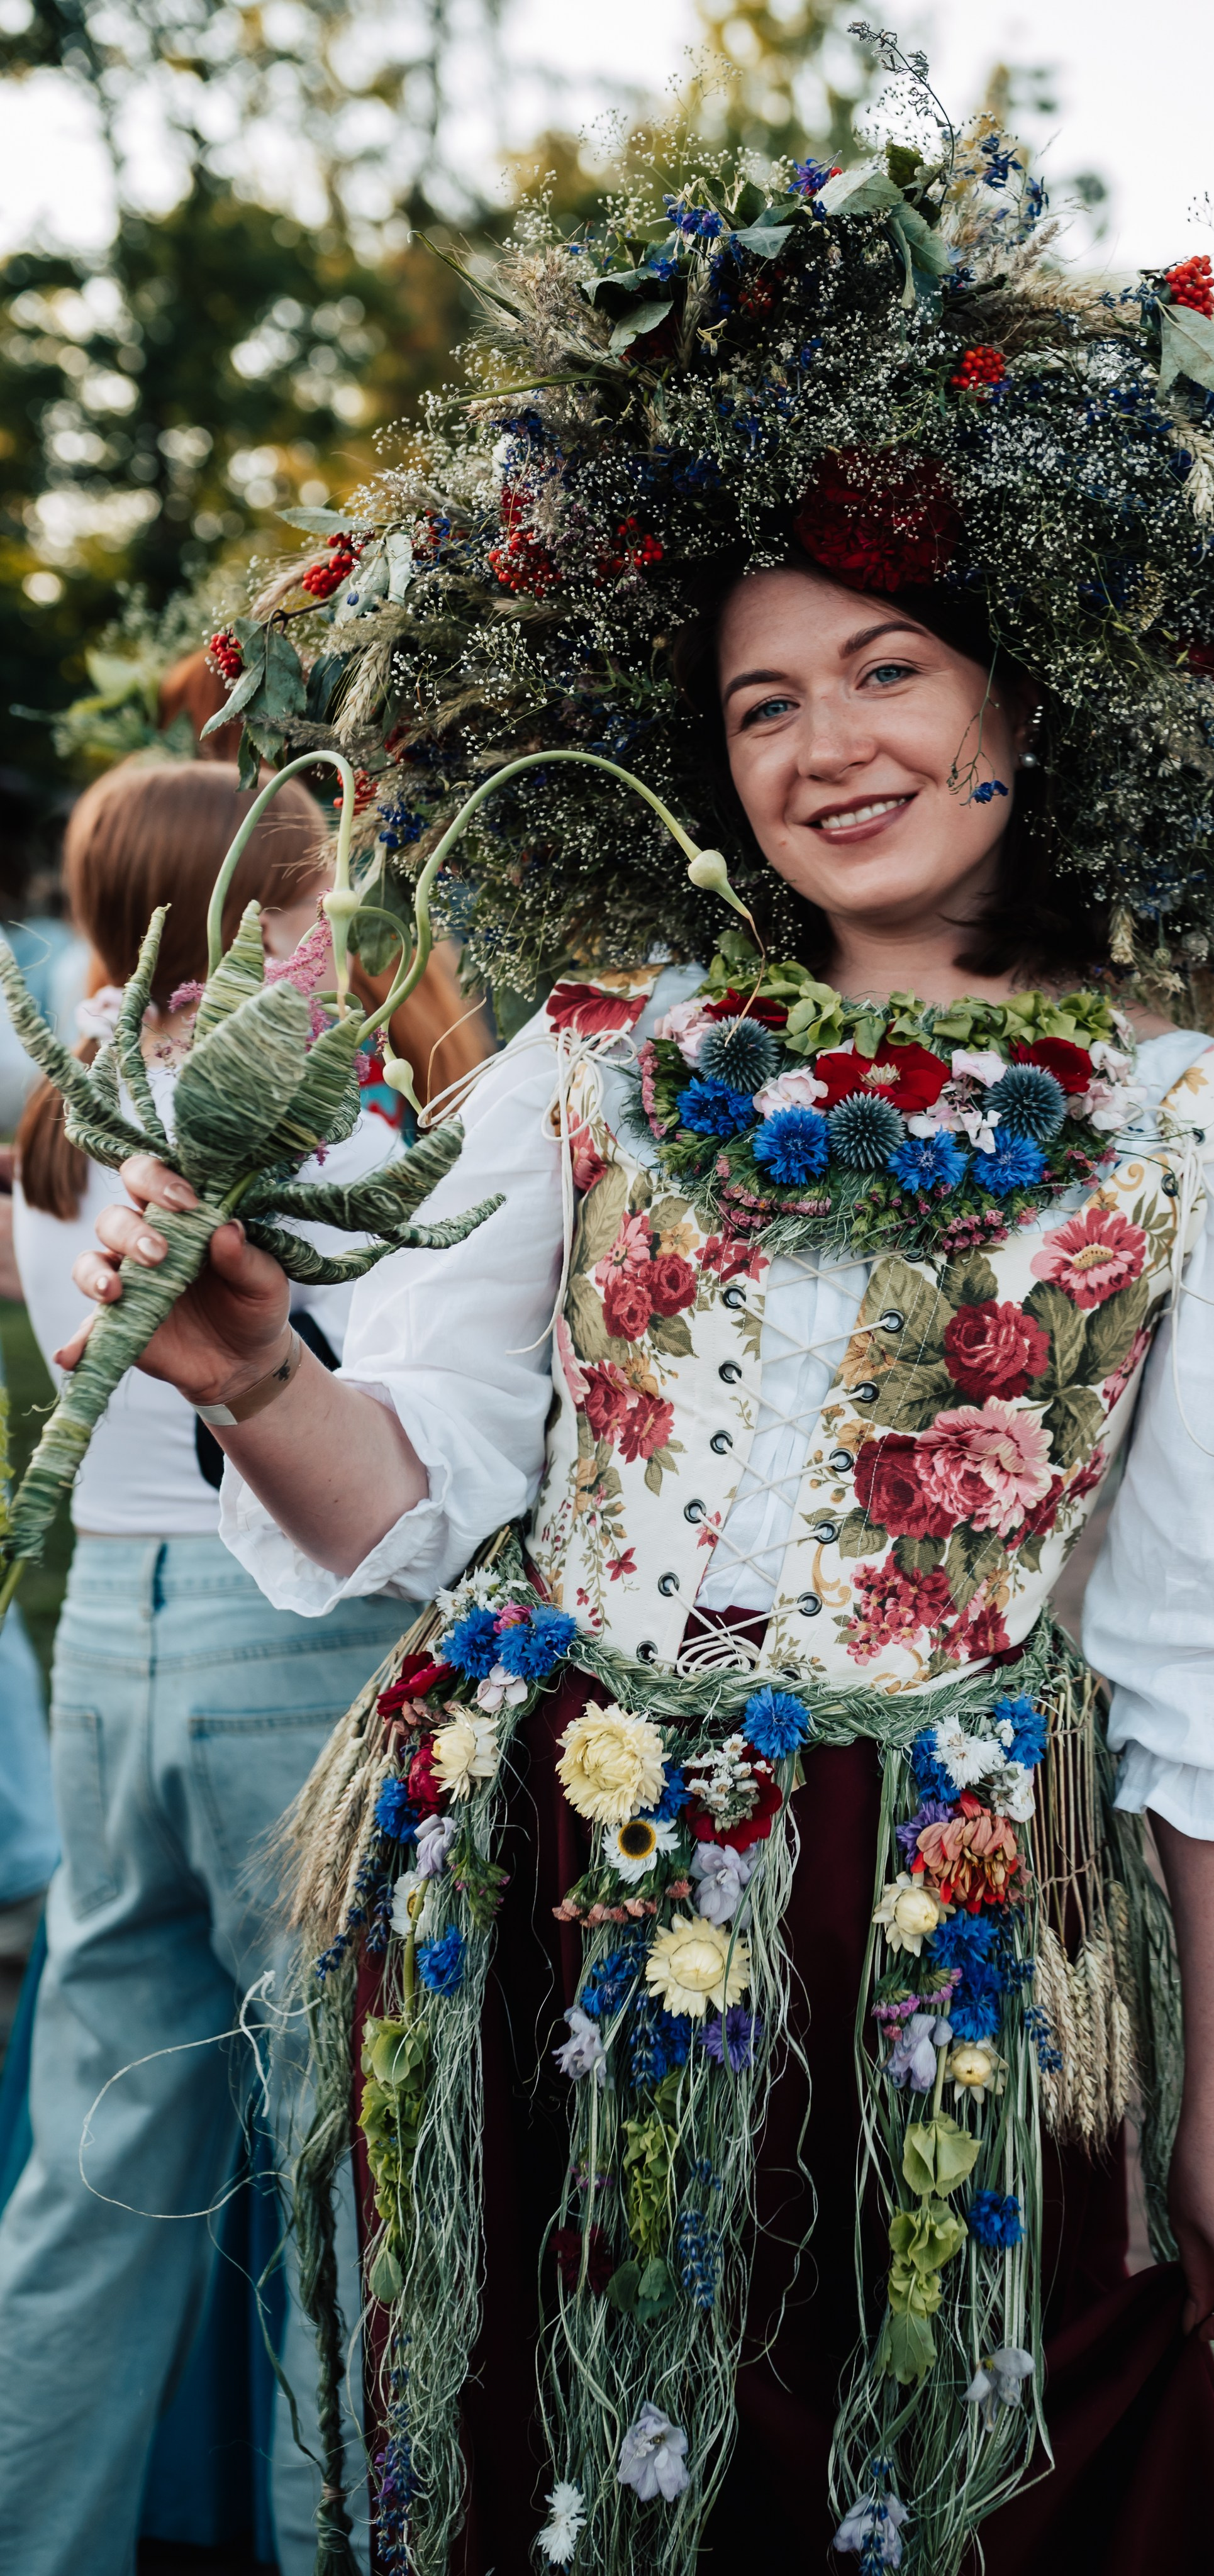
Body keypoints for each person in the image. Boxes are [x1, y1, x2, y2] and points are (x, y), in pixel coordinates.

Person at [60, 106, 1214, 2576]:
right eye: (764, 698)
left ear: (1043, 702)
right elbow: (420, 1501)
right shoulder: (591, 1053)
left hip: (951, 1915)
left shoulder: (1206, 1127)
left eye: (889, 665)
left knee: (991, 2455)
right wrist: (251, 1365)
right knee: (572, 2449)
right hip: (554, 1868)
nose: (827, 742)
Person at [0, 758, 443, 2576]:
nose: (329, 929)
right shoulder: (288, 1113)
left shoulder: (54, 1117)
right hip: (296, 1639)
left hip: (114, 1636)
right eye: (310, 894)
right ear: (242, 910)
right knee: (349, 2178)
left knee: (92, 2170)